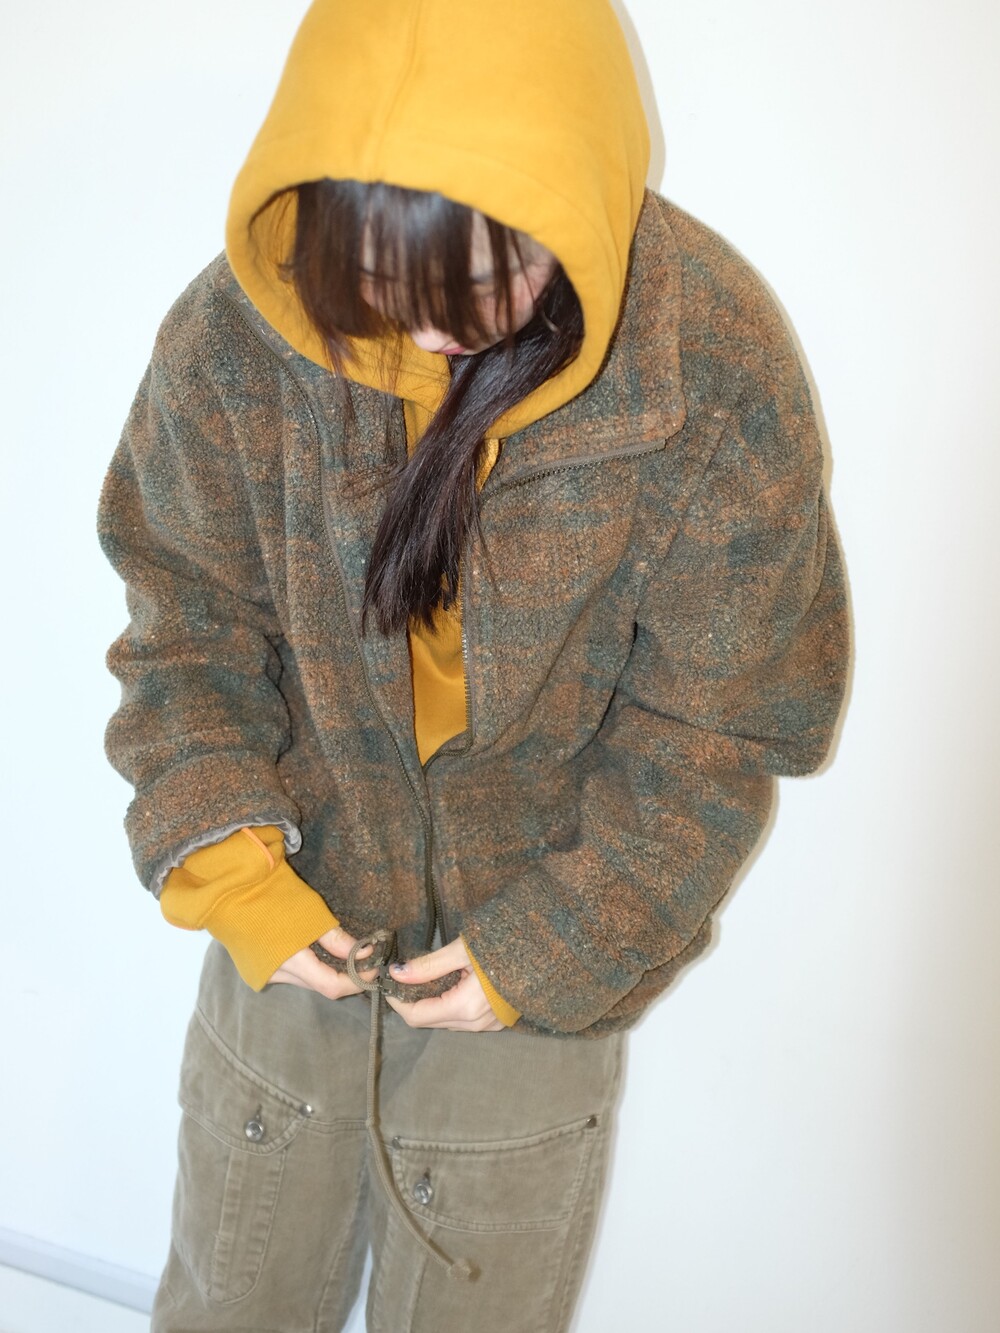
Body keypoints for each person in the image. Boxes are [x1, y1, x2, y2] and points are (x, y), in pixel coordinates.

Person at [98, 0, 849, 1328]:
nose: (431, 336)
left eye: (482, 285)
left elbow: (722, 720)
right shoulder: (237, 337)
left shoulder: (713, 367)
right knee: (231, 1295)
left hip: (541, 958)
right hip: (291, 915)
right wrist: (234, 869)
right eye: (377, 287)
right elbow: (185, 614)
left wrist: (557, 943)